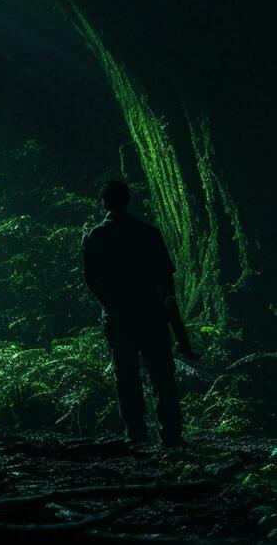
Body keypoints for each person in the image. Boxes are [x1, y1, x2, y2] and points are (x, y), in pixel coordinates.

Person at [83, 179, 189, 447]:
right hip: (150, 314)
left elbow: (92, 282)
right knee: (162, 374)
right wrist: (180, 334)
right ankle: (172, 433)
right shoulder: (149, 234)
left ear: (103, 203)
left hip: (119, 316)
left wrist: (110, 303)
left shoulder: (95, 237)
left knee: (126, 373)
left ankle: (136, 433)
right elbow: (167, 289)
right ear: (128, 200)